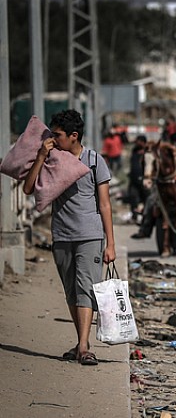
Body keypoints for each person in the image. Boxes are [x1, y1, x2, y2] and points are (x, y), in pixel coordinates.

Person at [23, 109, 116, 366]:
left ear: (74, 136)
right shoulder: (52, 160)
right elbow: (28, 188)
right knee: (71, 292)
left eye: (58, 135)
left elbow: (105, 204)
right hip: (62, 235)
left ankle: (85, 347)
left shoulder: (95, 161)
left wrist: (111, 243)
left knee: (86, 289)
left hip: (90, 235)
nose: (53, 139)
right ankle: (80, 342)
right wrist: (42, 155)